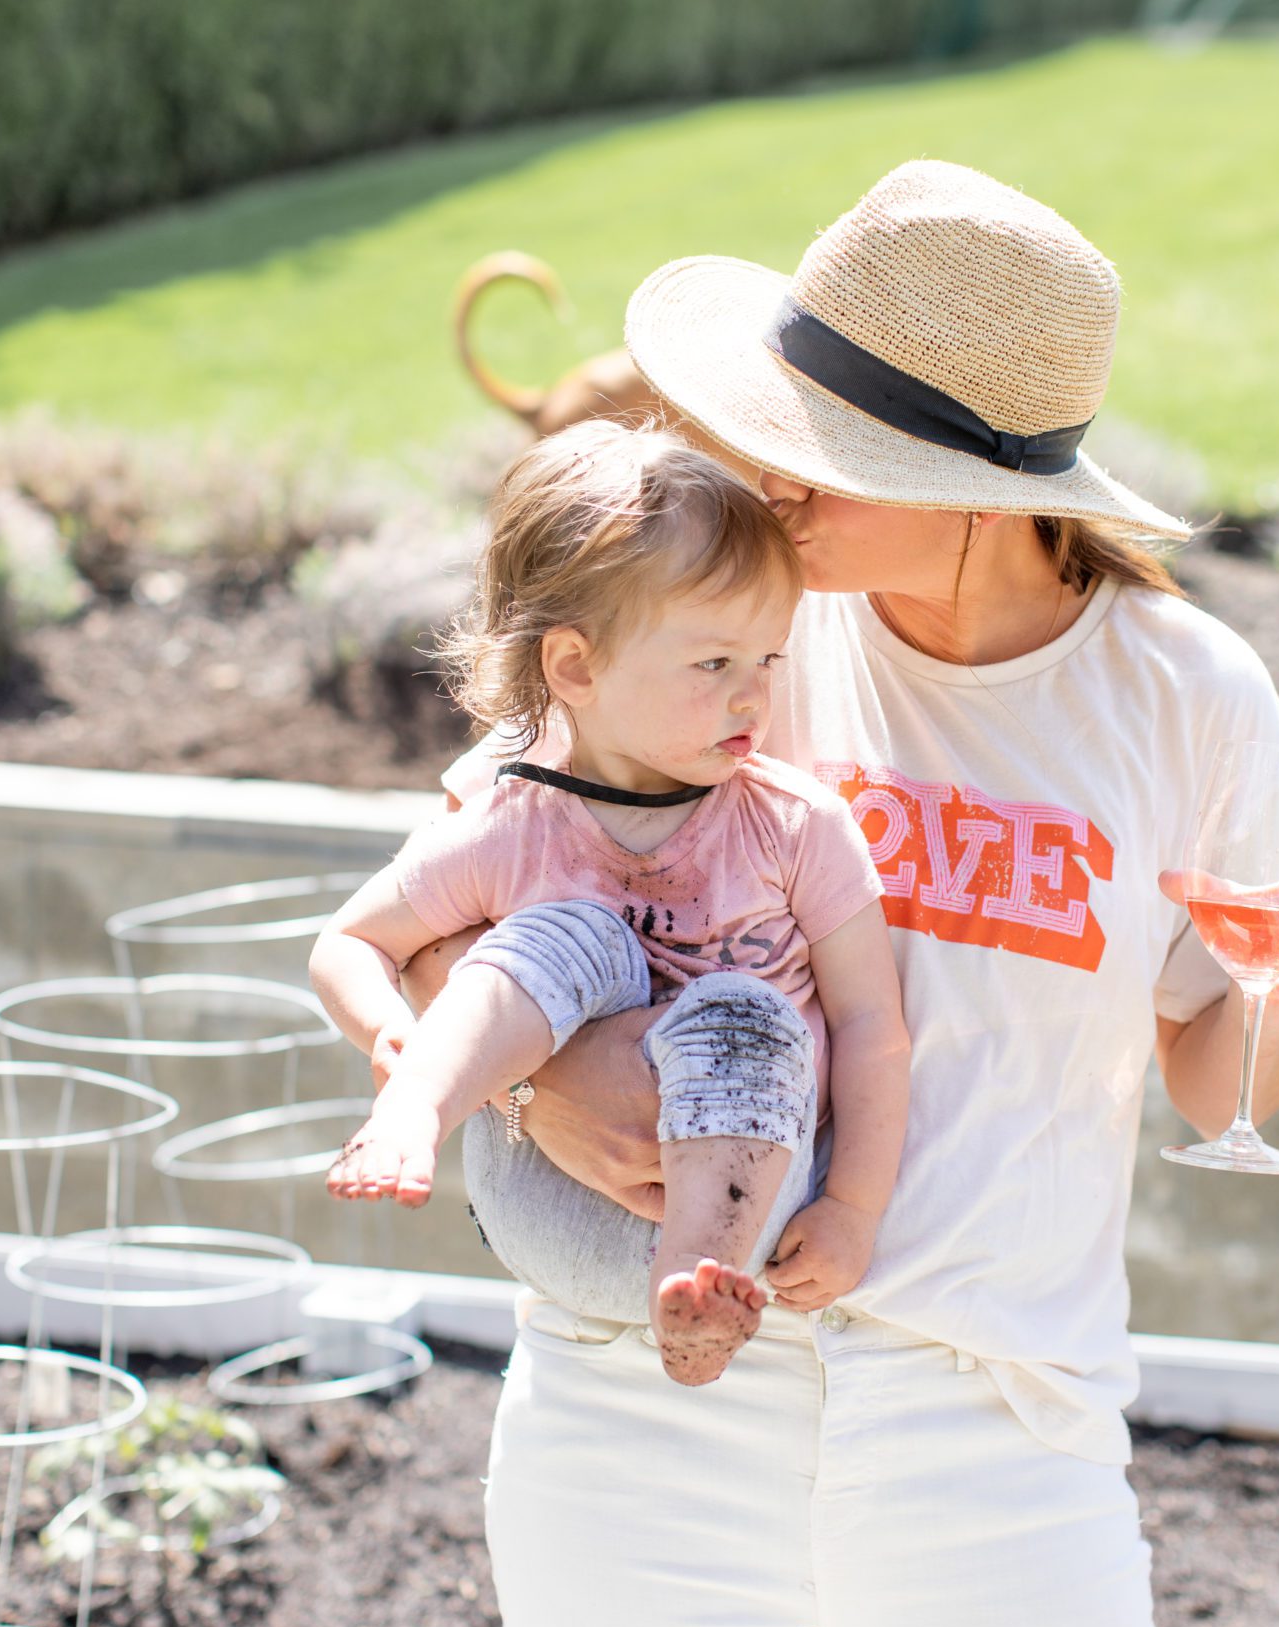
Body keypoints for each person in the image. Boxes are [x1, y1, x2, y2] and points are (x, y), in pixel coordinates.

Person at [415, 161, 1279, 1627]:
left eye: (816, 438)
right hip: (649, 1381)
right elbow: (468, 898)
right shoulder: (725, 617)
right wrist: (546, 1079)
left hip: (988, 1417)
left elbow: (1206, 1075)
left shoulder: (1187, 701)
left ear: (970, 490)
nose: (760, 464)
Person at [312, 422, 908, 1385]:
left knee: (743, 1018)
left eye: (769, 662)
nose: (752, 698)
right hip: (553, 1200)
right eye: (714, 665)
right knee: (563, 935)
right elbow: (349, 943)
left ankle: (694, 1307)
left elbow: (871, 1026)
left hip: (738, 1207)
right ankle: (412, 1116)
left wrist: (852, 1209)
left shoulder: (794, 827)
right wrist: (396, 1044)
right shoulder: (515, 819)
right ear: (576, 669)